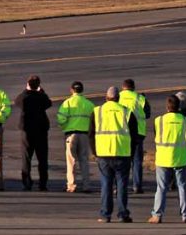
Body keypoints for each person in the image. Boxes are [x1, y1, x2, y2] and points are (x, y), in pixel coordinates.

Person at [90, 86, 138, 224]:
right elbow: (134, 137)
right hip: (122, 154)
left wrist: (95, 152)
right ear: (118, 98)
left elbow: (91, 135)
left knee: (106, 184)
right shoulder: (127, 112)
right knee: (122, 185)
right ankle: (123, 214)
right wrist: (131, 153)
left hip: (103, 154)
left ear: (106, 97)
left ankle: (105, 214)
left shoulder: (97, 111)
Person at [148, 95, 186, 224]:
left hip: (163, 157)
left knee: (161, 188)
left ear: (167, 107)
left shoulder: (159, 120)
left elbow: (157, 136)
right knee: (182, 187)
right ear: (179, 106)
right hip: (180, 158)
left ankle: (157, 215)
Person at [57, 81, 95, 193]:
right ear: (82, 90)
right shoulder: (89, 104)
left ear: (72, 90)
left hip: (71, 134)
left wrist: (65, 127)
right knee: (84, 160)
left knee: (71, 161)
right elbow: (94, 120)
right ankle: (86, 185)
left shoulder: (68, 103)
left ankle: (71, 185)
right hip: (84, 135)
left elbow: (61, 119)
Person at [14, 75, 51, 191]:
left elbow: (17, 101)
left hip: (27, 130)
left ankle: (26, 182)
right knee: (42, 158)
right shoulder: (42, 97)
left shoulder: (25, 97)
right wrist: (41, 92)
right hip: (41, 130)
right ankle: (43, 183)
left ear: (28, 85)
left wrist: (27, 90)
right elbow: (48, 103)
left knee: (26, 157)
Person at [118, 79, 150, 194]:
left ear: (123, 87)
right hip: (137, 133)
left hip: (122, 132)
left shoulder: (118, 96)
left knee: (122, 161)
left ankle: (120, 186)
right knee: (136, 161)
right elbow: (147, 114)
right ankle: (137, 186)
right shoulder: (140, 98)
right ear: (133, 87)